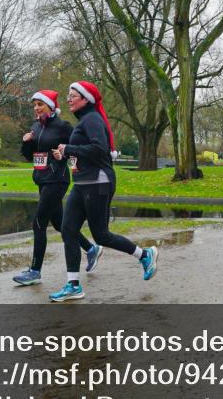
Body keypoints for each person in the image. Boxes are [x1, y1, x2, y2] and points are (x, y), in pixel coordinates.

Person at [49, 81, 156, 301]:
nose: (68, 99)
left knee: (101, 235)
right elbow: (85, 151)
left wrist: (69, 148)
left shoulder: (93, 119)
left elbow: (100, 150)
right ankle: (73, 285)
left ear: (85, 99)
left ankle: (145, 255)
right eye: (68, 95)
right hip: (81, 183)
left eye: (73, 95)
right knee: (68, 230)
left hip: (98, 183)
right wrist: (67, 154)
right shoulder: (85, 121)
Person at [12, 89, 100, 286]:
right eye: (34, 105)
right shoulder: (35, 127)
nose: (36, 108)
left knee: (39, 223)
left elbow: (77, 148)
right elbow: (29, 156)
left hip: (57, 179)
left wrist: (66, 156)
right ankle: (91, 249)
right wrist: (26, 143)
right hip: (42, 179)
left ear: (50, 106)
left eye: (40, 104)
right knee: (60, 224)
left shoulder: (63, 127)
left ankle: (35, 271)